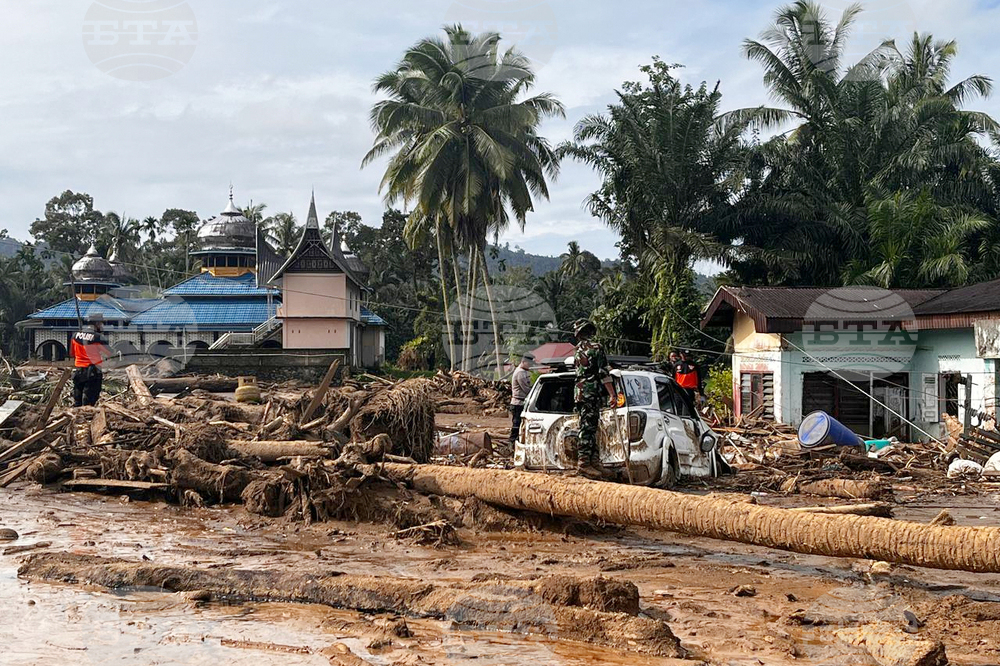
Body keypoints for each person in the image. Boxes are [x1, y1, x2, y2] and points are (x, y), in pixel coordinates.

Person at [572, 319, 616, 479]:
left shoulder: (577, 350)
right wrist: (612, 393)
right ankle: (584, 463)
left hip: (580, 392)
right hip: (591, 392)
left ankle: (594, 461)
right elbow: (603, 372)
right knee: (588, 428)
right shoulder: (596, 348)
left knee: (590, 427)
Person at [70, 316, 110, 407]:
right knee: (90, 399)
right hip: (93, 371)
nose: (102, 326)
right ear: (97, 324)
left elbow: (72, 353)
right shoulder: (98, 337)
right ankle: (88, 418)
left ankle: (77, 416)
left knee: (78, 398)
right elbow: (109, 353)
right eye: (101, 324)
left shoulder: (75, 336)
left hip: (79, 370)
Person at [508, 355, 533, 447]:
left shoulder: (524, 372)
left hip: (521, 402)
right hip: (518, 403)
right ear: (523, 362)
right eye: (529, 363)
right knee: (516, 425)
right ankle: (511, 444)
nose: (530, 366)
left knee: (519, 425)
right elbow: (526, 388)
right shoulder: (520, 373)